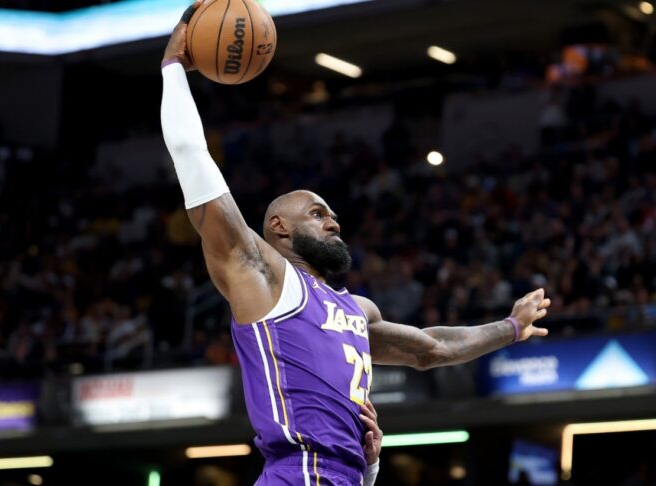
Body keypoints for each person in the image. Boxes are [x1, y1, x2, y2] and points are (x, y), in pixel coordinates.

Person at [160, 3, 550, 484]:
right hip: (297, 471)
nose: (333, 223)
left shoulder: (358, 312)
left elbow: (432, 347)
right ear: (278, 227)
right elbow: (192, 156)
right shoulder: (263, 276)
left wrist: (510, 327)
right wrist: (173, 68)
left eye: (333, 215)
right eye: (317, 214)